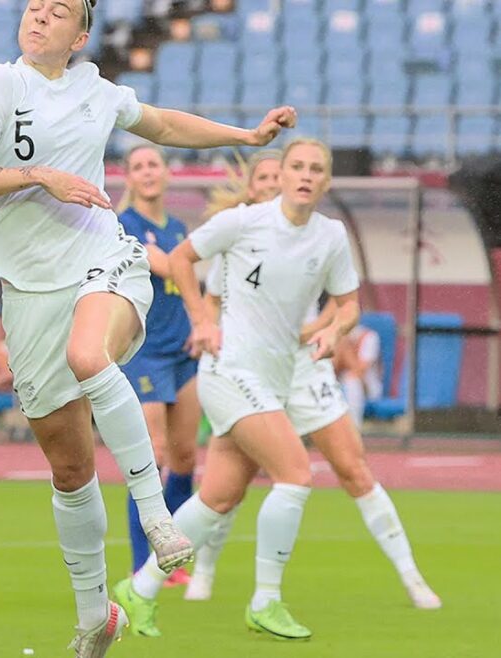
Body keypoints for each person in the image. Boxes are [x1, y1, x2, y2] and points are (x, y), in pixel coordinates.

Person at [0, 0, 295, 654]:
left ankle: (158, 520)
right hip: (29, 289)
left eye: (59, 11)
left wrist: (243, 138)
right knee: (70, 467)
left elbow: (161, 123)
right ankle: (94, 616)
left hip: (104, 257)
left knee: (88, 355)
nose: (41, 15)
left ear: (79, 36)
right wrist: (38, 175)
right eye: (35, 5)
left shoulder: (97, 90)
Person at [114, 139, 362, 641]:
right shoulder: (246, 222)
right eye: (297, 166)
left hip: (273, 379)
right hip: (229, 372)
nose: (305, 175)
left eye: (317, 169)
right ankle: (266, 600)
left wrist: (334, 331)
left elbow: (349, 304)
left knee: (219, 498)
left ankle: (138, 589)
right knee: (295, 474)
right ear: (282, 174)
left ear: (327, 182)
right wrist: (202, 317)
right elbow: (181, 260)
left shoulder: (331, 236)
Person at [183, 157, 438, 610]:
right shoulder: (236, 235)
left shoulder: (319, 235)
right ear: (259, 186)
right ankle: (201, 573)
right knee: (229, 487)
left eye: (277, 175)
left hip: (305, 366)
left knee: (353, 468)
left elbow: (339, 304)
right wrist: (207, 327)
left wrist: (324, 331)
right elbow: (211, 301)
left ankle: (412, 577)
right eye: (262, 178)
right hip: (249, 368)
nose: (272, 184)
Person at [115, 144, 199, 582]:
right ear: (128, 177)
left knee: (185, 455)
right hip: (145, 352)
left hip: (183, 352)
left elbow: (181, 270)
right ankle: (143, 562)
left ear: (167, 173)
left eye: (155, 164)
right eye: (139, 166)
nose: (148, 172)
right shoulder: (123, 225)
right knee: (153, 453)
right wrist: (179, 266)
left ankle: (179, 554)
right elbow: (171, 269)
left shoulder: (179, 228)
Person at [333, 323, 382, 429]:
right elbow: (331, 370)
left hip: (367, 386)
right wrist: (338, 349)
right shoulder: (333, 336)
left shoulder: (369, 337)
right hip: (339, 386)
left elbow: (359, 371)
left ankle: (354, 429)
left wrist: (346, 349)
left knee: (351, 380)